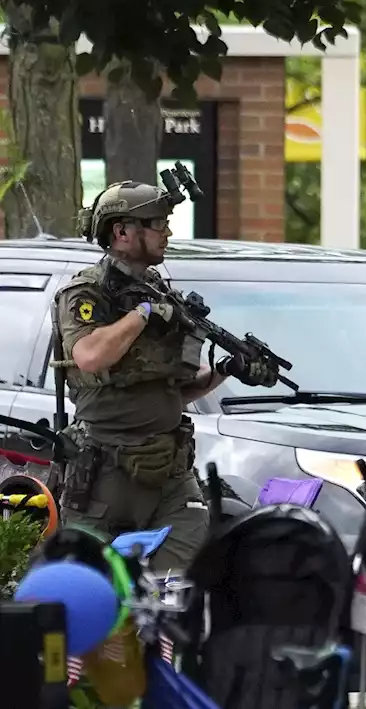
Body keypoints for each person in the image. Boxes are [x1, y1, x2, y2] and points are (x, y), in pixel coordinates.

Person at [50, 180, 277, 573]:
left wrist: (229, 369)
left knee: (177, 585)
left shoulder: (161, 293)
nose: (168, 233)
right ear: (121, 232)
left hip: (171, 470)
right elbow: (89, 356)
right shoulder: (87, 293)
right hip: (106, 471)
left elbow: (175, 388)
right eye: (158, 224)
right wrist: (142, 314)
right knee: (95, 584)